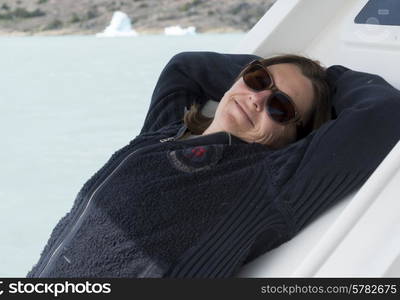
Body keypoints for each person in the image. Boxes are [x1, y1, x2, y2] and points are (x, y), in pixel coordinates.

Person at [27, 51, 400, 278]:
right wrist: (291, 71)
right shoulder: (163, 132)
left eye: (280, 107)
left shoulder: (266, 178)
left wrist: (325, 75)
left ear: (292, 137)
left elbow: (386, 113)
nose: (257, 98)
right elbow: (183, 68)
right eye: (258, 79)